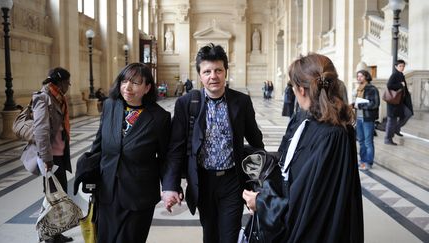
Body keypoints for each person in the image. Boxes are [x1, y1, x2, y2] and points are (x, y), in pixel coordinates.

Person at [242, 53, 363, 242]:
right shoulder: (302, 119)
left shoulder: (332, 136)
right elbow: (287, 164)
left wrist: (261, 204)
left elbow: (308, 206)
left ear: (301, 89)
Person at [162, 43, 264, 243]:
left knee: (229, 234)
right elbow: (176, 148)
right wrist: (170, 185)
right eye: (207, 71)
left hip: (232, 181)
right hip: (202, 181)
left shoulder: (241, 102)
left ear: (226, 71)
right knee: (209, 234)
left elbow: (255, 141)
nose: (213, 76)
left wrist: (260, 183)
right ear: (200, 75)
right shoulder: (186, 104)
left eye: (218, 70)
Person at [88, 63, 171, 243]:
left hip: (139, 195)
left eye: (135, 82)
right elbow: (98, 145)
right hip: (107, 192)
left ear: (147, 87)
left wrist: (169, 187)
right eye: (124, 81)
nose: (128, 87)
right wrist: (87, 172)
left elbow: (166, 158)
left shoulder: (159, 118)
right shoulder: (110, 106)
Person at [33, 67, 73, 243]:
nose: (69, 86)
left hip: (59, 154)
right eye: (67, 82)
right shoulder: (44, 98)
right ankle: (49, 234)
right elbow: (41, 130)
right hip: (51, 156)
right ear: (60, 82)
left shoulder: (57, 97)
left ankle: (54, 232)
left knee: (58, 193)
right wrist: (46, 158)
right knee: (52, 194)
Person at [353, 70, 380, 170]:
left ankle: (369, 162)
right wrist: (353, 104)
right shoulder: (359, 89)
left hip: (368, 118)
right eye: (358, 76)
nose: (359, 78)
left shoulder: (372, 89)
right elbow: (358, 103)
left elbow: (375, 103)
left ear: (366, 77)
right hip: (359, 118)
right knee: (361, 141)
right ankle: (362, 161)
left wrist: (360, 105)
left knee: (368, 142)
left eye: (361, 76)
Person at [384, 59, 413, 145]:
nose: (402, 67)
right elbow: (389, 85)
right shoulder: (395, 75)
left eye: (403, 66)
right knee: (391, 120)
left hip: (400, 101)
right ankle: (388, 139)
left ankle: (397, 128)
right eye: (400, 66)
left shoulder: (401, 75)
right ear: (396, 66)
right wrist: (401, 85)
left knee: (408, 114)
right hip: (393, 102)